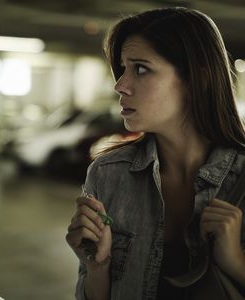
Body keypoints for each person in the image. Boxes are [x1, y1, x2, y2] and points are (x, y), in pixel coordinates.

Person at [66, 7, 245, 300]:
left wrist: (236, 261)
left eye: (141, 68)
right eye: (122, 68)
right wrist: (96, 265)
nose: (120, 85)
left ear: (196, 80)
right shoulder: (108, 174)